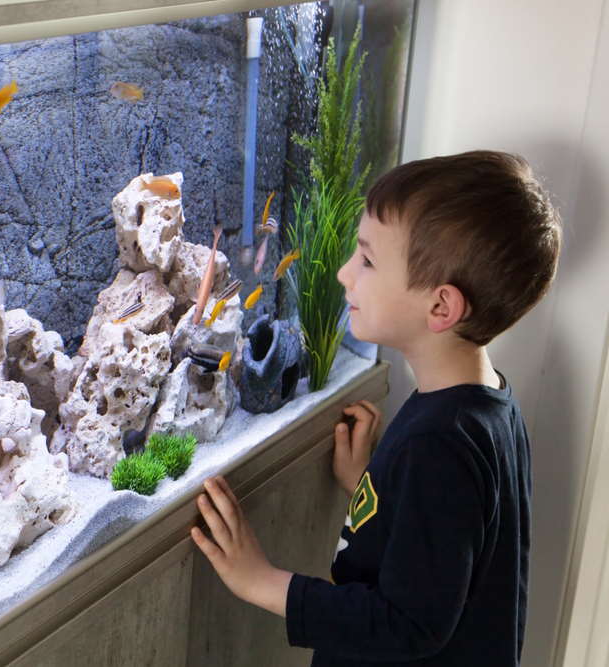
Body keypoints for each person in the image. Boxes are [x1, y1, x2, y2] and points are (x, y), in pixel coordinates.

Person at [191, 150, 562, 666]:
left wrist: (264, 582)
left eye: (367, 259)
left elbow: (408, 623)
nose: (345, 274)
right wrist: (373, 483)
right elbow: (450, 539)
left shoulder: (440, 444)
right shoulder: (485, 404)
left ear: (441, 307)